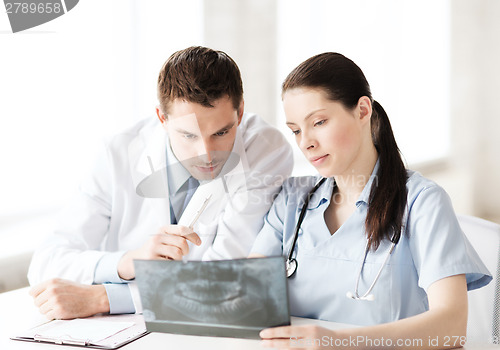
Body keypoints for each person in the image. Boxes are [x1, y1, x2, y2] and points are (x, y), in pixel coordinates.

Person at [27, 46, 293, 320]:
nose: (207, 154)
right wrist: (129, 262)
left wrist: (105, 297)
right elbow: (46, 263)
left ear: (240, 113)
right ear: (162, 119)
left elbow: (225, 276)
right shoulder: (117, 153)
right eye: (188, 135)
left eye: (222, 132)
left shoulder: (266, 149)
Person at [249, 52, 491, 349]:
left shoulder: (422, 202)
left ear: (363, 110)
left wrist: (339, 342)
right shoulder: (292, 200)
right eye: (296, 131)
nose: (305, 142)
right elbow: (245, 294)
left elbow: (452, 326)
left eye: (320, 122)